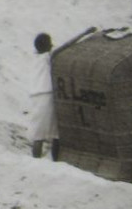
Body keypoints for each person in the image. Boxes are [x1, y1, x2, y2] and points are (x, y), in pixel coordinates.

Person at [29, 27, 97, 160]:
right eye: (50, 43)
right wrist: (84, 33)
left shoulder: (35, 57)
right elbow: (66, 46)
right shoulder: (47, 56)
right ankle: (54, 160)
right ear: (47, 46)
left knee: (39, 133)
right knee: (55, 132)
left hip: (35, 95)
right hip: (47, 94)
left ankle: (36, 161)